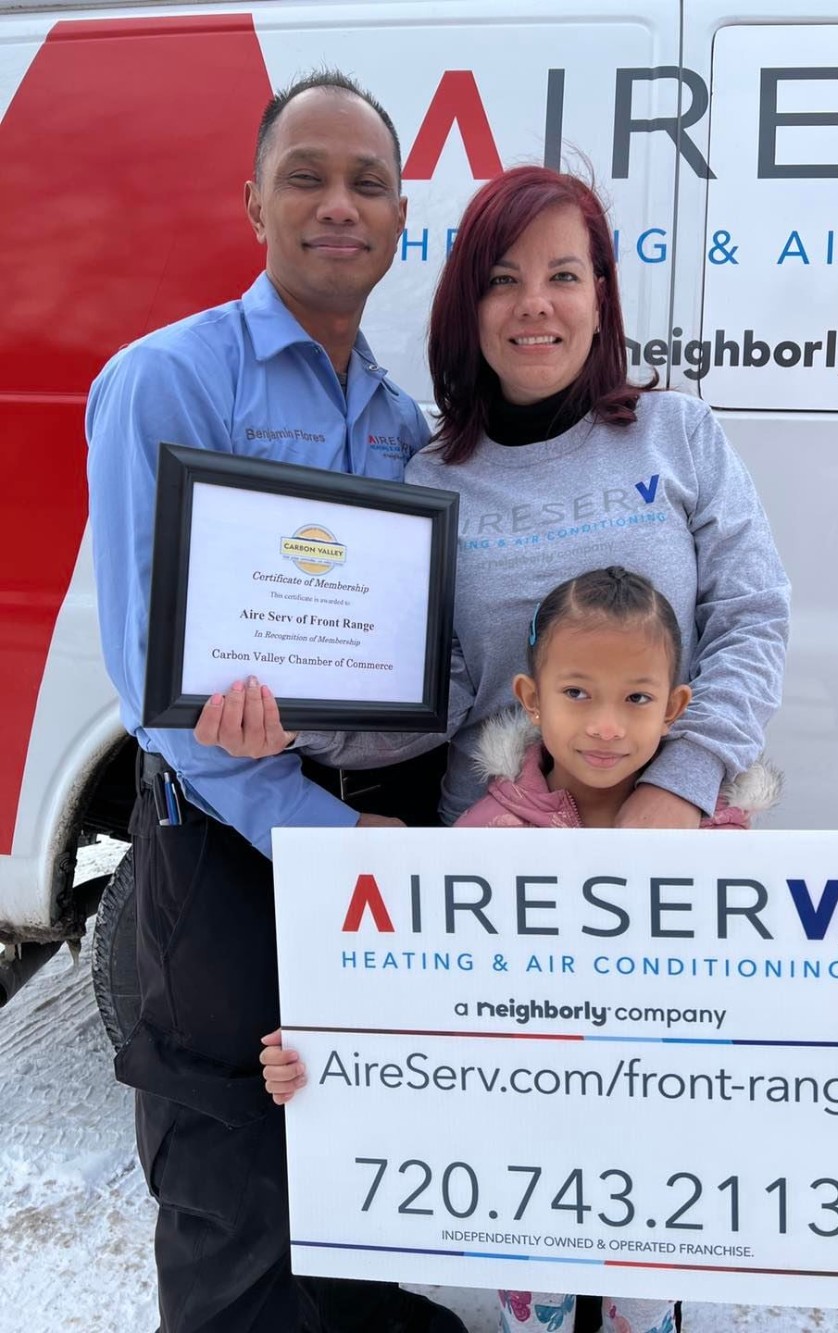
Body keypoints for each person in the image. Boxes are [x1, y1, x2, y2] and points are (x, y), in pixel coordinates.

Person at [259, 566, 838, 1333]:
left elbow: (794, 1001)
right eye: (578, 692)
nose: (606, 726)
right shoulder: (481, 843)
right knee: (537, 1317)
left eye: (637, 698)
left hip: (672, 1167)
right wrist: (327, 1057)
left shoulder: (720, 848)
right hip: (517, 1167)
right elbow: (411, 1004)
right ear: (530, 698)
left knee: (642, 1315)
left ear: (677, 707)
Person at [86, 70, 466, 1333]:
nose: (337, 204)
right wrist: (318, 830)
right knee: (233, 1182)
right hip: (236, 855)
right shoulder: (167, 383)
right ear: (252, 201)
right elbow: (156, 684)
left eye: (367, 182)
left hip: (377, 832)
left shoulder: (402, 419)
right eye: (306, 175)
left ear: (403, 215)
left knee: (358, 1151)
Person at [196, 162, 792, 840]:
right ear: (470, 308)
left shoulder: (679, 436)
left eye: (562, 276)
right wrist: (292, 717)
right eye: (503, 280)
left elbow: (752, 616)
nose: (534, 303)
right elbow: (429, 695)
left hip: (673, 839)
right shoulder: (432, 482)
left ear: (600, 298)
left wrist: (680, 783)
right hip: (493, 853)